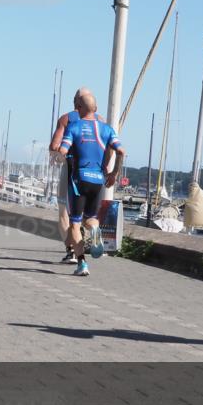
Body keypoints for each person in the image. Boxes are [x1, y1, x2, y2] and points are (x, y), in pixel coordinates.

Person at [57, 93, 126, 277]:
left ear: (78, 107)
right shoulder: (107, 129)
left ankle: (82, 264)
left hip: (78, 180)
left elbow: (62, 150)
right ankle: (95, 231)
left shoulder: (74, 127)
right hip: (97, 180)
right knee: (91, 219)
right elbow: (120, 151)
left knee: (75, 223)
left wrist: (60, 155)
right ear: (95, 109)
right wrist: (114, 173)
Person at [49, 88, 100, 263]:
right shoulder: (100, 121)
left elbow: (55, 146)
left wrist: (57, 156)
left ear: (75, 102)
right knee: (89, 216)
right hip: (95, 173)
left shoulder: (67, 119)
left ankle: (71, 251)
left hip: (72, 170)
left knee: (64, 212)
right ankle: (93, 231)